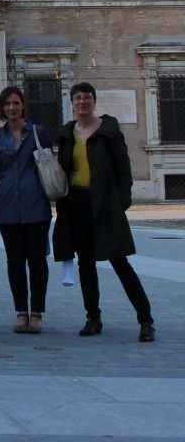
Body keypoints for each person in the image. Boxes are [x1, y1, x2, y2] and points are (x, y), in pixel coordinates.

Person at [53, 81, 155, 343]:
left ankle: (145, 319)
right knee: (86, 263)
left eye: (86, 98)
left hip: (106, 205)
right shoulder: (68, 133)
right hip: (77, 204)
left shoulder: (108, 131)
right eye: (77, 98)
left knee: (120, 262)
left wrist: (121, 202)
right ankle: (93, 317)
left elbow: (124, 169)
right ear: (72, 103)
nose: (82, 102)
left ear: (94, 102)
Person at [0, 86, 53, 334]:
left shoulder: (39, 133)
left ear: (23, 105)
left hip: (36, 205)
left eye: (15, 103)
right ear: (2, 108)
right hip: (8, 208)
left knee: (37, 260)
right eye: (7, 104)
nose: (12, 108)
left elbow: (47, 163)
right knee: (14, 261)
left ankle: (36, 312)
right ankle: (20, 312)